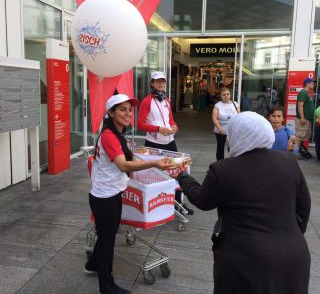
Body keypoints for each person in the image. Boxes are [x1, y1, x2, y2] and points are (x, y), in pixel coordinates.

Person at [172, 111, 311, 294]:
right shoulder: (288, 161)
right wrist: (287, 234)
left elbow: (202, 200)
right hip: (294, 257)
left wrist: (182, 176)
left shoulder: (223, 169)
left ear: (238, 135)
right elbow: (304, 208)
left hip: (243, 260)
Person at [85, 94, 172, 294]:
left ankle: (92, 265)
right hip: (104, 197)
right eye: (122, 109)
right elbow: (123, 164)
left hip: (111, 193)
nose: (128, 113)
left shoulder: (117, 133)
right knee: (108, 241)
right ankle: (107, 286)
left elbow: (126, 156)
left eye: (130, 109)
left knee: (107, 233)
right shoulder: (108, 135)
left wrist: (152, 156)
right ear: (111, 113)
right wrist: (155, 163)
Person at [137, 71, 194, 215]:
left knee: (177, 170)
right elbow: (140, 124)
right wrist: (158, 129)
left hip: (170, 141)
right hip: (153, 143)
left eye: (163, 81)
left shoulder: (166, 100)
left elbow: (171, 120)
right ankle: (154, 203)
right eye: (157, 81)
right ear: (152, 83)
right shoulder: (146, 101)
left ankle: (178, 203)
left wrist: (175, 127)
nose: (161, 83)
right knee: (154, 174)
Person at [212, 87, 240, 160]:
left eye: (228, 94)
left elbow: (239, 116)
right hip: (220, 131)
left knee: (231, 148)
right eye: (224, 95)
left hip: (232, 131)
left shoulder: (235, 104)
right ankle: (220, 163)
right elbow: (214, 118)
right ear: (220, 96)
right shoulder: (218, 105)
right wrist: (219, 128)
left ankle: (231, 163)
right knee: (220, 148)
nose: (226, 96)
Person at [296, 77, 314, 159]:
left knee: (302, 137)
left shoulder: (306, 93)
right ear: (307, 84)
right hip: (303, 120)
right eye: (312, 83)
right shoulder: (303, 92)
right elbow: (300, 105)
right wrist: (302, 118)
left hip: (307, 120)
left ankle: (300, 151)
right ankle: (296, 153)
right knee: (299, 136)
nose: (313, 85)